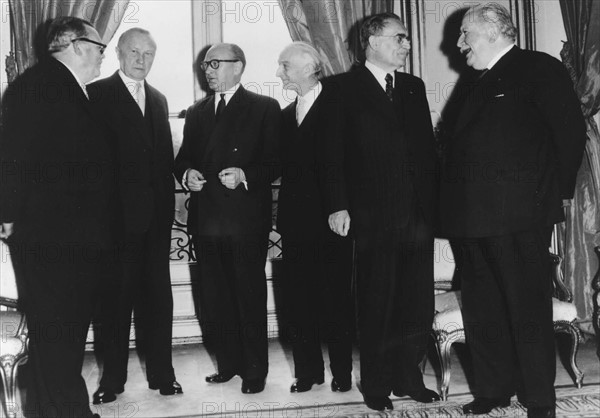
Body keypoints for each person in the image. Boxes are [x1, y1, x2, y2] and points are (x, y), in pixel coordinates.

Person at [439, 4, 586, 418]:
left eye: (466, 33)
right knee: (483, 306)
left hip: (520, 214)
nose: (460, 43)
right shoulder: (473, 81)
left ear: (495, 32)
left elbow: (569, 132)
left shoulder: (538, 68)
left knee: (527, 308)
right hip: (471, 216)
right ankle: (493, 390)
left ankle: (539, 399)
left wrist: (555, 194)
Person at [0, 16, 114, 418]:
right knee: (58, 334)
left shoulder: (65, 87)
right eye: (99, 48)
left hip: (69, 238)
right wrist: (9, 215)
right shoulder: (37, 87)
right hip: (52, 238)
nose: (103, 56)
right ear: (75, 44)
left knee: (61, 334)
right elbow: (12, 157)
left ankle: (60, 411)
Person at [325, 13, 439, 411]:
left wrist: (435, 203)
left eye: (407, 39)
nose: (407, 45)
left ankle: (410, 377)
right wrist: (338, 204)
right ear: (371, 41)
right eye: (399, 38)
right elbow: (331, 154)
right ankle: (374, 384)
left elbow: (426, 150)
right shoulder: (340, 88)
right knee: (376, 300)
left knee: (416, 300)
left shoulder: (413, 86)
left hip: (416, 214)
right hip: (370, 214)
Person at [174, 43, 280, 394]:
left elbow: (276, 161)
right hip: (206, 219)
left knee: (248, 296)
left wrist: (245, 173)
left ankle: (254, 370)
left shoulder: (264, 107)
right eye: (205, 65)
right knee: (215, 297)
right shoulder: (197, 111)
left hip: (245, 219)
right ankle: (229, 364)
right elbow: (184, 157)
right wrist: (187, 173)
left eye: (216, 64)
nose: (208, 70)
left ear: (239, 67)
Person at [87, 28, 182, 404]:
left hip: (156, 223)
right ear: (119, 54)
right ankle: (112, 380)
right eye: (134, 52)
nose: (141, 60)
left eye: (148, 54)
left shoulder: (158, 99)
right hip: (114, 223)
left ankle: (164, 375)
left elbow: (163, 160)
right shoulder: (96, 95)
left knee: (159, 301)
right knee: (115, 302)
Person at [275, 42, 354, 394]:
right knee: (298, 300)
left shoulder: (339, 106)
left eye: (285, 65)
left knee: (335, 299)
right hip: (294, 224)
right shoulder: (284, 114)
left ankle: (341, 372)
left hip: (332, 221)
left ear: (309, 67)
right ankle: (308, 372)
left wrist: (342, 206)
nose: (279, 72)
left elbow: (350, 162)